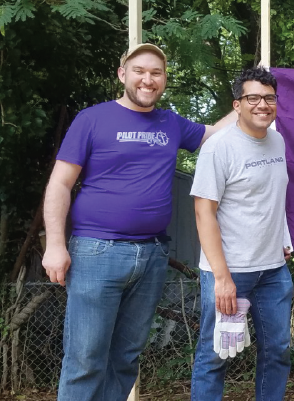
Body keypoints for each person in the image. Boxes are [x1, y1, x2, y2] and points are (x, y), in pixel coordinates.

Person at [42, 43, 233, 401]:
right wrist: (55, 244)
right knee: (85, 359)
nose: (148, 79)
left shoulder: (171, 123)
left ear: (163, 80)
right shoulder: (92, 119)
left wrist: (250, 101)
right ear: (122, 75)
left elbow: (214, 134)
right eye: (139, 71)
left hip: (152, 256)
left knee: (126, 358)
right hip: (96, 252)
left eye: (156, 73)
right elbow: (60, 183)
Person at [189, 66, 294, 401]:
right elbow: (203, 213)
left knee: (277, 352)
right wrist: (222, 278)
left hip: (273, 270)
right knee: (215, 356)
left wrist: (284, 238)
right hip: (229, 272)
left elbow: (272, 195)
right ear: (237, 105)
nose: (262, 105)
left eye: (269, 98)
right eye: (253, 98)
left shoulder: (277, 140)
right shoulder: (219, 148)